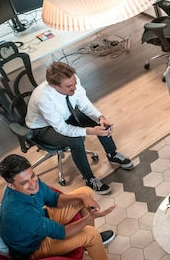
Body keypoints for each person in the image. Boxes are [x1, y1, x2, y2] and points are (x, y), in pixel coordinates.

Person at [0, 154, 118, 260]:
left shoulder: (30, 184)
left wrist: (82, 197)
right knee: (90, 233)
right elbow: (62, 233)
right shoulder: (21, 214)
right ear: (11, 185)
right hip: (34, 247)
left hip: (41, 221)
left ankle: (89, 245)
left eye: (32, 175)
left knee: (85, 192)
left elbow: (54, 199)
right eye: (25, 183)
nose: (33, 184)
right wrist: (90, 218)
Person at [25, 61, 134, 195]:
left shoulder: (72, 81)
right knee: (75, 141)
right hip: (42, 128)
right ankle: (89, 179)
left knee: (99, 124)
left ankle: (112, 154)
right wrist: (89, 131)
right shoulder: (43, 98)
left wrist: (100, 117)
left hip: (65, 115)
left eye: (75, 83)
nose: (75, 88)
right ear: (54, 86)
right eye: (69, 86)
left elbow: (84, 104)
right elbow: (62, 128)